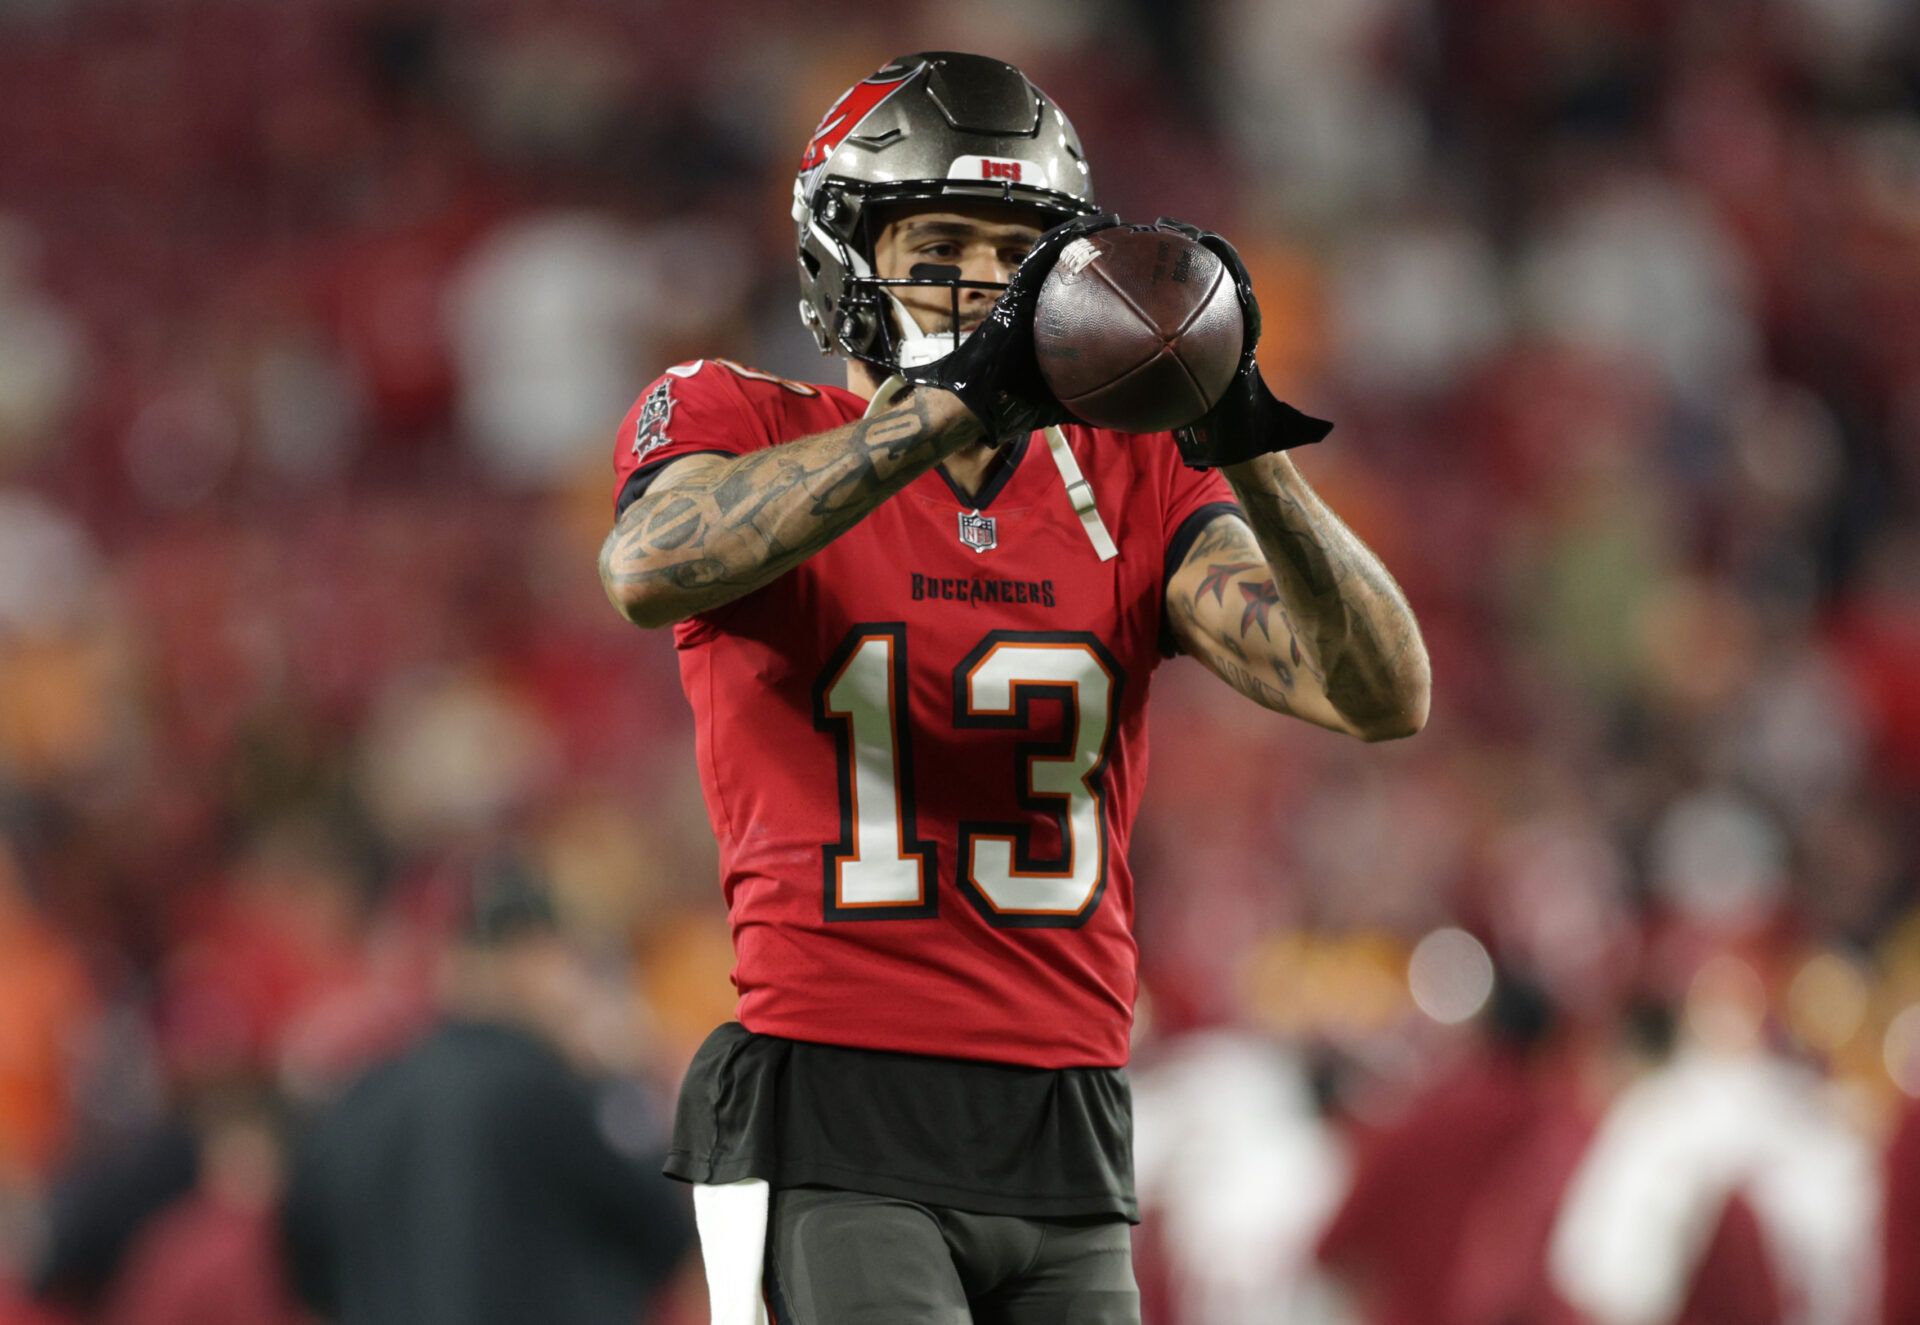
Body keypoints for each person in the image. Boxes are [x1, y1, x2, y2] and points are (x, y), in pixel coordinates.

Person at [598, 50, 1429, 1325]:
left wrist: (1244, 436)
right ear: (846, 256)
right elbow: (651, 564)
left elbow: (1383, 693)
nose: (981, 285)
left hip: (1069, 1123)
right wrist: (941, 411)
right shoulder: (734, 411)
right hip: (837, 1109)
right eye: (940, 243)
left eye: (1014, 254)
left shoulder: (1134, 482)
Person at [278, 859, 692, 1325]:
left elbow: (306, 1270)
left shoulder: (358, 1102)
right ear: (529, 957)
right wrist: (626, 1081)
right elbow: (664, 1234)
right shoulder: (550, 1087)